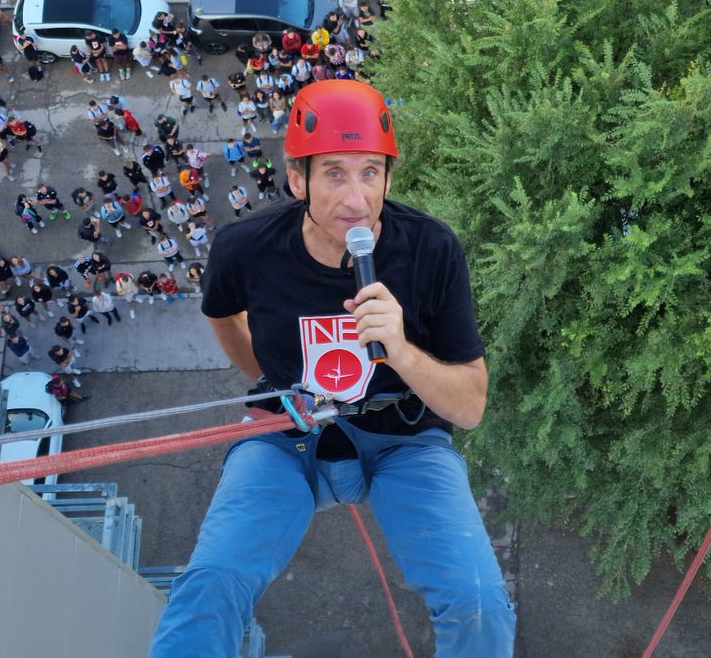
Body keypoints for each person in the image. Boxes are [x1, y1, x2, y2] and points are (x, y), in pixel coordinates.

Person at [148, 79, 516, 657]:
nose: (357, 200)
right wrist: (268, 377)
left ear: (390, 177)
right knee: (210, 586)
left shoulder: (430, 249)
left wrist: (398, 346)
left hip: (405, 439)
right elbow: (223, 314)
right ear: (298, 179)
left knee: (480, 603)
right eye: (335, 173)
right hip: (286, 436)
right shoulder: (245, 248)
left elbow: (469, 407)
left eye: (370, 172)